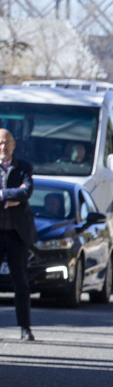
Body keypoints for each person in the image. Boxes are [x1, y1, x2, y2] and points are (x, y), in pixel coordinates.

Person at [0, 128, 36, 342]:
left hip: (16, 234)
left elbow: (26, 192)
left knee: (20, 283)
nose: (3, 147)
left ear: (14, 145)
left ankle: (25, 328)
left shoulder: (24, 168)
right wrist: (13, 196)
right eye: (0, 143)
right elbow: (20, 193)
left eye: (7, 143)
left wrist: (3, 193)